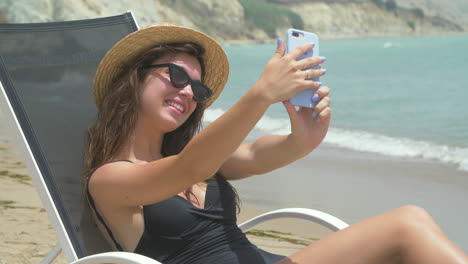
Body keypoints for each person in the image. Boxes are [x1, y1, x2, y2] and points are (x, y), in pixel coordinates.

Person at [84, 23, 468, 264]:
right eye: (175, 76)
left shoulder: (193, 156)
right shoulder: (110, 180)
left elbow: (253, 153)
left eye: (198, 87)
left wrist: (303, 137)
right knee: (407, 225)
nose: (188, 93)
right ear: (133, 79)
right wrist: (263, 93)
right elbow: (188, 170)